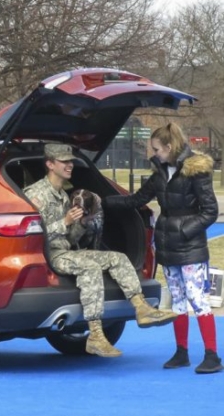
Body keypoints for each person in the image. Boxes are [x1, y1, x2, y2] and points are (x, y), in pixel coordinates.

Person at [24, 144, 177, 358]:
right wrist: (65, 221)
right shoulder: (35, 195)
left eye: (70, 161)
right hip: (50, 255)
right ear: (50, 164)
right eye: (64, 162)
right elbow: (34, 235)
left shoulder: (65, 196)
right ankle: (95, 335)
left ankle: (142, 308)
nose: (70, 165)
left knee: (117, 258)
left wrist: (82, 223)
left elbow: (70, 238)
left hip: (68, 250)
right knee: (90, 266)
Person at [104, 123, 222, 374]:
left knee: (198, 299)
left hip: (190, 246)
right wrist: (103, 201)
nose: (153, 153)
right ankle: (181, 352)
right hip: (167, 246)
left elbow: (210, 211)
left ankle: (212, 356)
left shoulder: (196, 171)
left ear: (169, 147)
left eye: (156, 149)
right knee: (177, 300)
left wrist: (185, 230)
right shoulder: (159, 175)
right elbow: (136, 200)